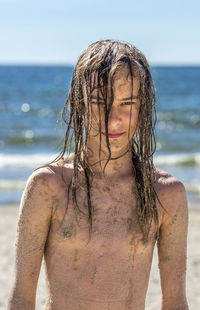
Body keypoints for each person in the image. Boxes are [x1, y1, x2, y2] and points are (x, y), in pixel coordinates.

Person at [8, 40, 189, 310]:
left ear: (144, 107)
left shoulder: (166, 194)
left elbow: (174, 302)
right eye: (98, 102)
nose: (112, 119)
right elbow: (22, 299)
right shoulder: (48, 187)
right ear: (79, 103)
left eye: (127, 103)